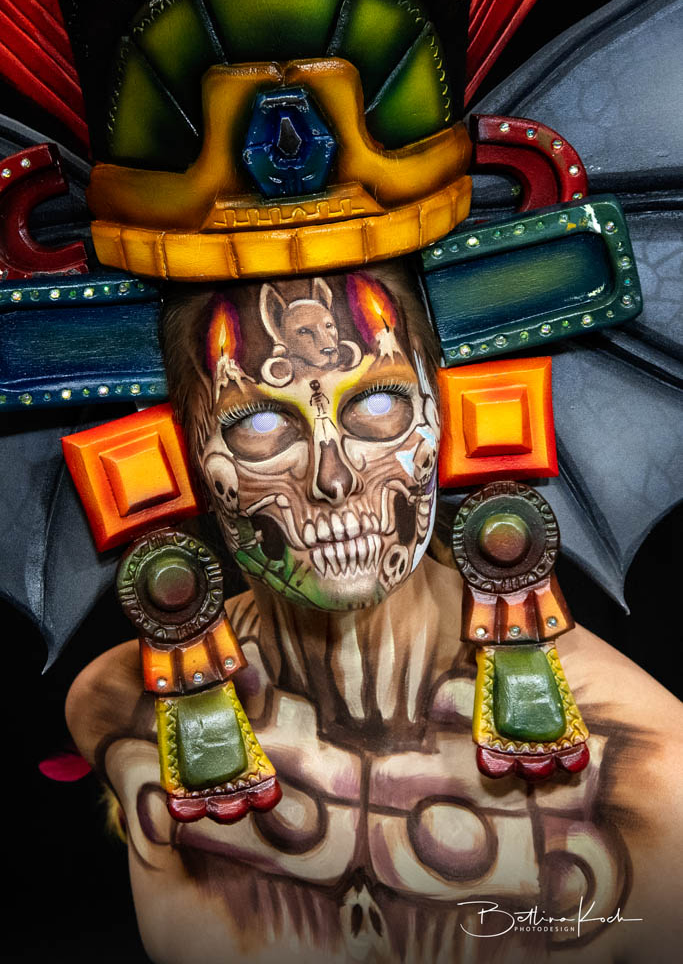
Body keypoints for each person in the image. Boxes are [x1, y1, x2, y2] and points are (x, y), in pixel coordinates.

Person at [66, 262, 683, 964]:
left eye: (378, 404)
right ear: (181, 459)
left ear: (448, 416)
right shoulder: (119, 714)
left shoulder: (643, 779)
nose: (331, 478)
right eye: (261, 423)